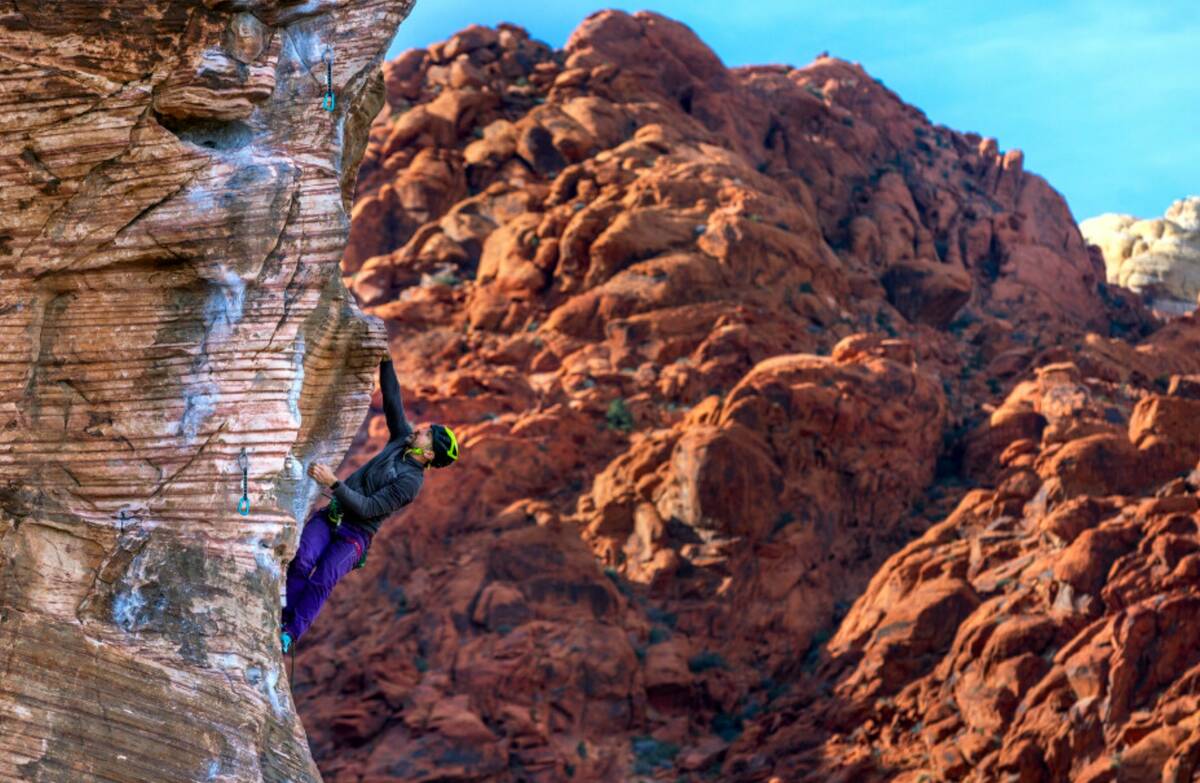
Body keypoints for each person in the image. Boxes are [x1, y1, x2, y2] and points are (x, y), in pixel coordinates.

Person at [280, 356, 459, 652]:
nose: (420, 431)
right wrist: (386, 359)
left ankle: (290, 633)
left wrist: (333, 483)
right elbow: (392, 399)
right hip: (333, 516)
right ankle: (281, 618)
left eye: (427, 435)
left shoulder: (410, 483)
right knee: (302, 560)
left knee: (323, 577)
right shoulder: (401, 440)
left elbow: (366, 508)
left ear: (429, 454)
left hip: (355, 535)